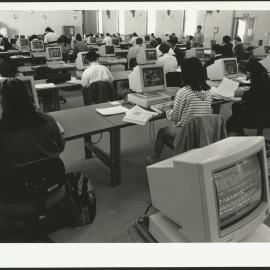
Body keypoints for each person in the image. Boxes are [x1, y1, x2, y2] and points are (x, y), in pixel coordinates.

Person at [147, 57, 212, 163]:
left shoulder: (183, 92)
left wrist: (167, 111)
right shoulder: (208, 91)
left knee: (162, 132)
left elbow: (174, 117)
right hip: (202, 131)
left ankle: (155, 157)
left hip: (187, 132)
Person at [0, 79, 65, 171]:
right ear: (28, 96)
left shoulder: (3, 128)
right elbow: (60, 147)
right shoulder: (47, 120)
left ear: (3, 102)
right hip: (52, 178)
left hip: (19, 181)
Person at [226, 60, 270, 135]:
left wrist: (242, 94)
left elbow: (253, 99)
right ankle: (240, 132)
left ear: (253, 71)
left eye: (248, 72)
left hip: (257, 117)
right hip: (267, 116)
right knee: (237, 107)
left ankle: (238, 133)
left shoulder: (258, 84)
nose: (247, 74)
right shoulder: (266, 79)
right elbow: (258, 97)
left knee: (235, 108)